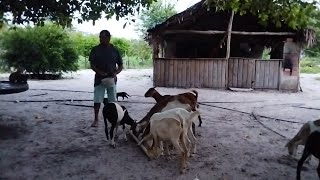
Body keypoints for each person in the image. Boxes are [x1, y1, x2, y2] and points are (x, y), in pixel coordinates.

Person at [89, 30, 123, 127]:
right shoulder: (95, 50)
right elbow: (92, 65)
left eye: (103, 37)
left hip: (111, 79)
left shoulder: (115, 50)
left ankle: (114, 118)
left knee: (112, 101)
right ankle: (96, 119)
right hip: (99, 79)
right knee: (97, 100)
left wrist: (116, 73)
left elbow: (120, 65)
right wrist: (100, 72)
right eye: (100, 37)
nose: (101, 39)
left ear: (109, 38)